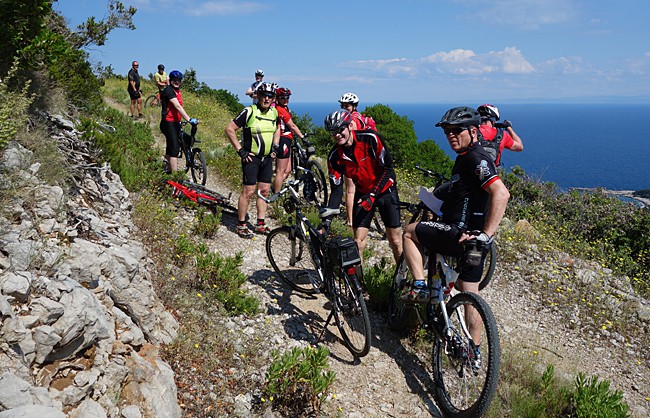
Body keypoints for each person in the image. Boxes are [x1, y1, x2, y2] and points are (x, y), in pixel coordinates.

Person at [401, 106, 510, 346]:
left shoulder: (474, 158)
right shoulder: (469, 158)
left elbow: (501, 193)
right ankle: (474, 351)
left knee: (409, 233)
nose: (451, 135)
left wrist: (486, 234)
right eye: (448, 131)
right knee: (470, 294)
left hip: (457, 233)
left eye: (457, 130)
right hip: (473, 242)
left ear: (473, 131)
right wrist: (482, 237)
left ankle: (420, 285)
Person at [323, 109, 402, 264]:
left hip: (386, 191)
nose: (337, 135)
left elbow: (388, 170)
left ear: (349, 127)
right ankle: (358, 285)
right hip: (363, 194)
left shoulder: (371, 139)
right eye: (333, 132)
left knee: (395, 240)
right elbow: (337, 189)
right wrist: (327, 219)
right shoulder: (334, 157)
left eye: (340, 130)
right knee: (357, 242)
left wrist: (373, 195)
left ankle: (404, 279)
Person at [225, 82, 281, 239]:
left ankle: (260, 223)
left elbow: (278, 129)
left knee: (263, 191)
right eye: (264, 96)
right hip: (251, 158)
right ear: (259, 96)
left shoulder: (274, 113)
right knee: (248, 192)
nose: (267, 99)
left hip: (267, 158)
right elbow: (230, 129)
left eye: (270, 96)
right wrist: (240, 151)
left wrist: (275, 146)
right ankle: (241, 224)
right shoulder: (249, 111)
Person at [159, 70, 198, 173]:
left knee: (177, 143)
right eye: (174, 80)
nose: (177, 82)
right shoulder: (168, 91)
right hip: (168, 122)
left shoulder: (177, 91)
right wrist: (189, 119)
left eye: (179, 80)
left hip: (176, 122)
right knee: (175, 149)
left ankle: (167, 169)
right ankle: (175, 177)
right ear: (170, 80)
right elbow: (177, 106)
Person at [338, 92, 364, 227]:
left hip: (351, 157)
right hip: (363, 157)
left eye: (347, 106)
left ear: (354, 106)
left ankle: (350, 221)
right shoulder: (360, 117)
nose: (344, 108)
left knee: (350, 190)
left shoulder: (350, 120)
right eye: (342, 105)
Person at [273, 87, 306, 193]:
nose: (286, 99)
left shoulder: (284, 108)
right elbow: (292, 126)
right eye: (283, 97)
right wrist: (302, 137)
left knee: (288, 170)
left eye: (287, 97)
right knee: (280, 171)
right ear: (277, 98)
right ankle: (275, 196)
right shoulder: (280, 109)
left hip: (287, 140)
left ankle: (273, 189)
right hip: (283, 140)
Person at [477, 103, 523, 168]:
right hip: (492, 174)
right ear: (493, 120)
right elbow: (520, 147)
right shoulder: (502, 135)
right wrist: (508, 127)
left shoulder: (472, 132)